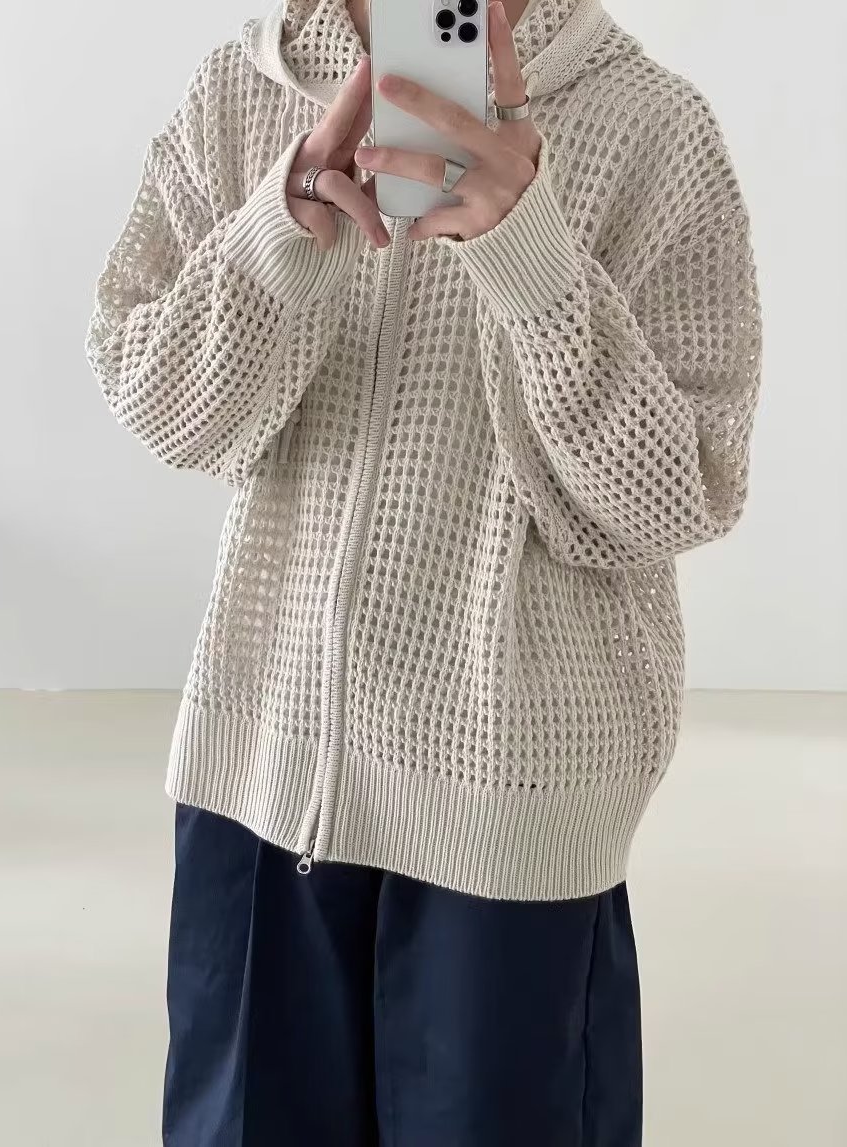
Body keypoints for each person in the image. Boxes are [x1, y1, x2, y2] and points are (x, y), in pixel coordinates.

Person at [84, 0, 763, 1142]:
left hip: (510, 806)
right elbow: (160, 407)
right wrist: (279, 233)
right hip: (260, 775)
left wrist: (532, 259)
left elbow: (678, 493)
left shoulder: (650, 126)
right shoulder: (241, 92)